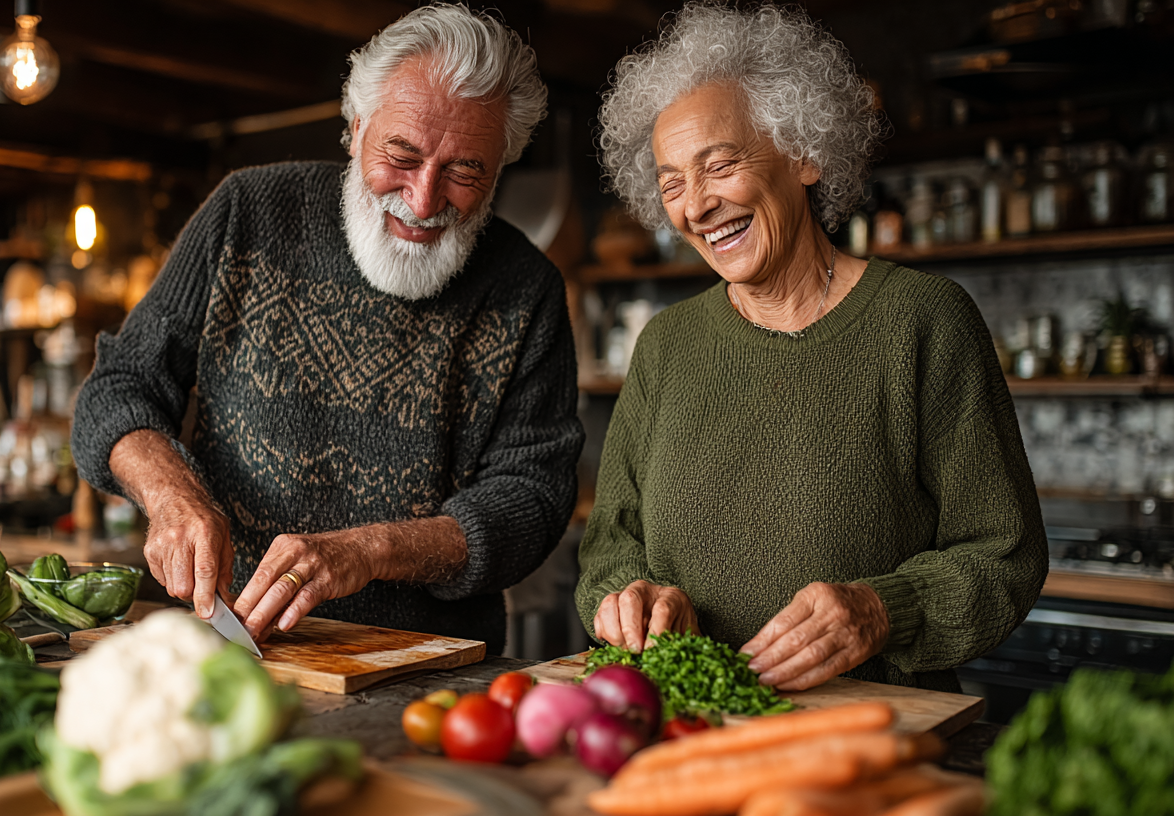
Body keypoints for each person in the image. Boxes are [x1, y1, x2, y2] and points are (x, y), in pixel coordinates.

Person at [71, 3, 583, 653]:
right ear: (353, 127)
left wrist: (373, 550)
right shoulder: (246, 213)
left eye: (464, 171)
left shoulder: (527, 289)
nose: (424, 201)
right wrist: (173, 496)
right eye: (402, 155)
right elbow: (119, 388)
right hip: (221, 650)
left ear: (500, 166)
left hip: (424, 668)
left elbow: (531, 502)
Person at [576, 2, 1047, 693]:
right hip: (689, 728)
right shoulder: (666, 347)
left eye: (720, 164)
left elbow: (1005, 554)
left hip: (864, 740)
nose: (696, 205)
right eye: (672, 183)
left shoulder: (924, 321)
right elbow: (611, 548)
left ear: (802, 153)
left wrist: (885, 609)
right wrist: (630, 601)